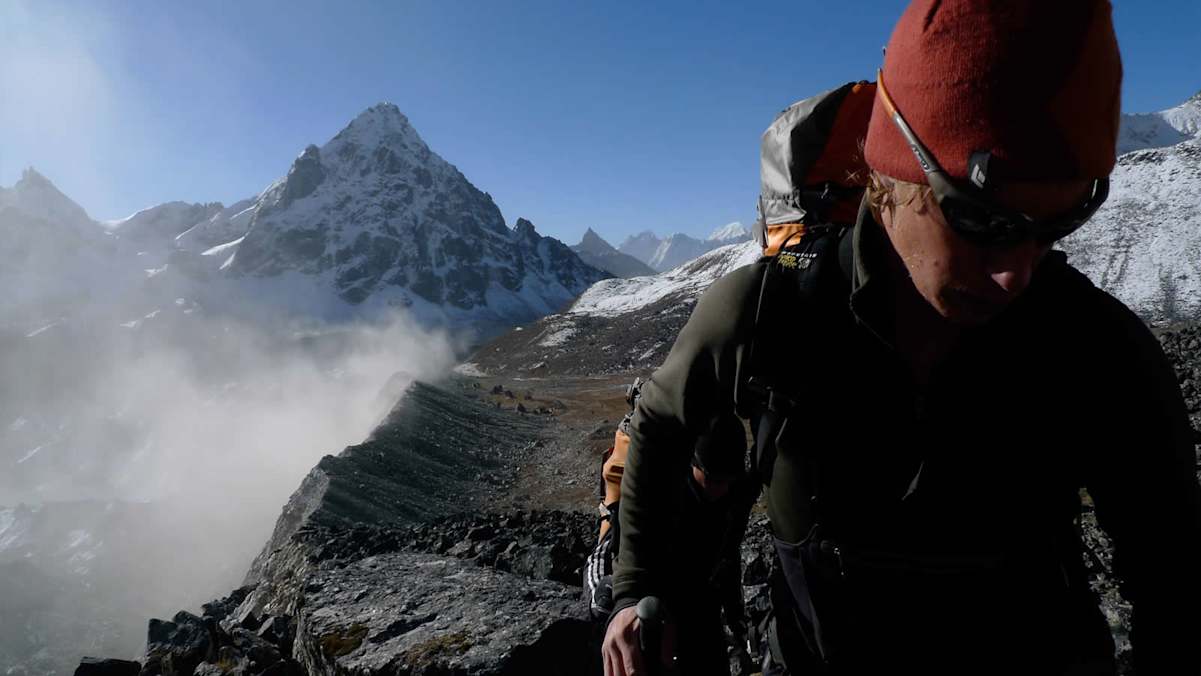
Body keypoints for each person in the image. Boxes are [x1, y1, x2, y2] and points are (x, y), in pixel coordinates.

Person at [602, 2, 1201, 675]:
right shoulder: (769, 311)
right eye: (979, 220)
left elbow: (1171, 571)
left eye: (1053, 227)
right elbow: (657, 419)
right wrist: (638, 589)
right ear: (888, 179)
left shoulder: (1095, 348)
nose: (1016, 273)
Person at [591, 409, 759, 676]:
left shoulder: (735, 492)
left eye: (728, 480)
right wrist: (613, 603)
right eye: (713, 479)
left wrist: (736, 620)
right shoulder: (656, 492)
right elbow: (606, 552)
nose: (720, 489)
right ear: (692, 462)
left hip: (702, 604)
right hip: (652, 603)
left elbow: (728, 555)